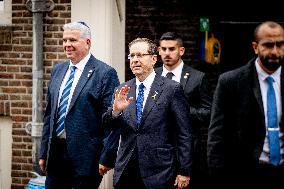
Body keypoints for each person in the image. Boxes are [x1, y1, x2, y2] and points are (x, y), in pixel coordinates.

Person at [102, 37, 193, 189]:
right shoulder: (122, 90)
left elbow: (184, 133)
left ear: (153, 59)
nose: (135, 60)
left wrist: (184, 170)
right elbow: (107, 126)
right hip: (126, 171)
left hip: (160, 172)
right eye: (132, 56)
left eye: (140, 55)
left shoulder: (171, 89)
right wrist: (116, 110)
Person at [39, 21, 120, 189]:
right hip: (55, 155)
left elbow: (112, 119)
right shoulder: (58, 70)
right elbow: (49, 115)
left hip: (86, 158)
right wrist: (43, 152)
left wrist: (107, 156)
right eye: (65, 40)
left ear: (87, 43)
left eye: (73, 40)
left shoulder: (105, 74)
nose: (67, 45)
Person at [207, 21, 284, 188]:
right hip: (246, 174)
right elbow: (216, 136)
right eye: (268, 45)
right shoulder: (231, 82)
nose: (275, 51)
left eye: (280, 45)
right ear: (255, 47)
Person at [155, 31, 212, 188]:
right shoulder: (152, 75)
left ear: (181, 51)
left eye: (171, 49)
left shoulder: (198, 78)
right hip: (156, 152)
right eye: (163, 49)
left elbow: (208, 113)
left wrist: (182, 110)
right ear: (158, 50)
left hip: (186, 152)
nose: (167, 53)